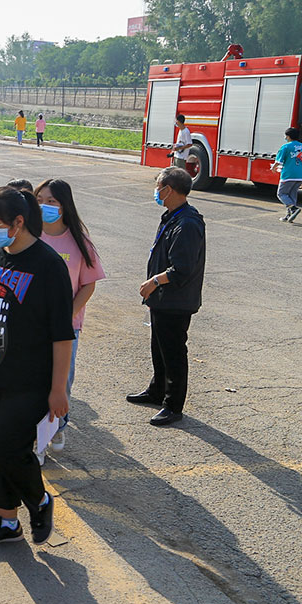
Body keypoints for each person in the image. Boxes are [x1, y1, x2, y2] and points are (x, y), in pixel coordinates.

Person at [0, 186, 73, 549]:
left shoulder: (49, 266)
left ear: (18, 222)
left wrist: (58, 389)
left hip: (29, 376)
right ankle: (6, 521)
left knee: (8, 445)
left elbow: (62, 335)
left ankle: (39, 501)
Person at [130, 166, 206, 427]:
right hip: (163, 300)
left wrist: (153, 282)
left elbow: (182, 269)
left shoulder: (187, 223)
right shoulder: (173, 216)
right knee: (159, 348)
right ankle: (156, 390)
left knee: (173, 352)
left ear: (168, 189)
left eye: (158, 185)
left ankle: (173, 405)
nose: (156, 190)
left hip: (176, 301)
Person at [33, 177, 104, 453]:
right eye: (39, 200)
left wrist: (68, 315)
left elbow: (88, 283)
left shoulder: (79, 242)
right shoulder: (28, 234)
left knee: (62, 380)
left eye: (51, 201)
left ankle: (57, 426)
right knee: (33, 381)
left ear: (64, 206)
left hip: (65, 327)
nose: (44, 206)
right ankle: (37, 436)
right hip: (31, 324)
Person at [272, 127, 302, 222]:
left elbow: (278, 161)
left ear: (288, 136)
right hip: (300, 175)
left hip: (288, 175)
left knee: (281, 194)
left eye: (286, 136)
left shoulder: (286, 147)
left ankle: (293, 209)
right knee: (292, 195)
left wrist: (273, 168)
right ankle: (289, 215)